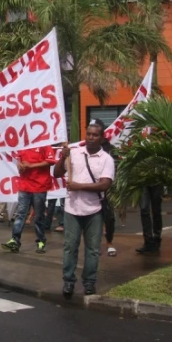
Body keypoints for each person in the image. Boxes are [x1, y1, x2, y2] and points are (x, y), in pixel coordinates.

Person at [54, 119, 115, 299]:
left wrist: (78, 186)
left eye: (95, 135)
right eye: (88, 134)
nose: (90, 138)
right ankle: (68, 282)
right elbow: (57, 173)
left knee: (93, 249)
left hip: (94, 210)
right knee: (70, 247)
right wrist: (62, 157)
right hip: (72, 209)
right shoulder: (74, 153)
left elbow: (104, 185)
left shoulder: (107, 160)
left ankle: (89, 282)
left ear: (101, 138)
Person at [1, 145, 56, 254]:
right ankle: (15, 240)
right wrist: (19, 165)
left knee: (38, 215)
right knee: (20, 214)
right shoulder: (23, 143)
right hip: (24, 185)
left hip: (40, 185)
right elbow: (18, 159)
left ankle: (41, 240)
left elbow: (51, 161)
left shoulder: (45, 144)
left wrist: (31, 166)